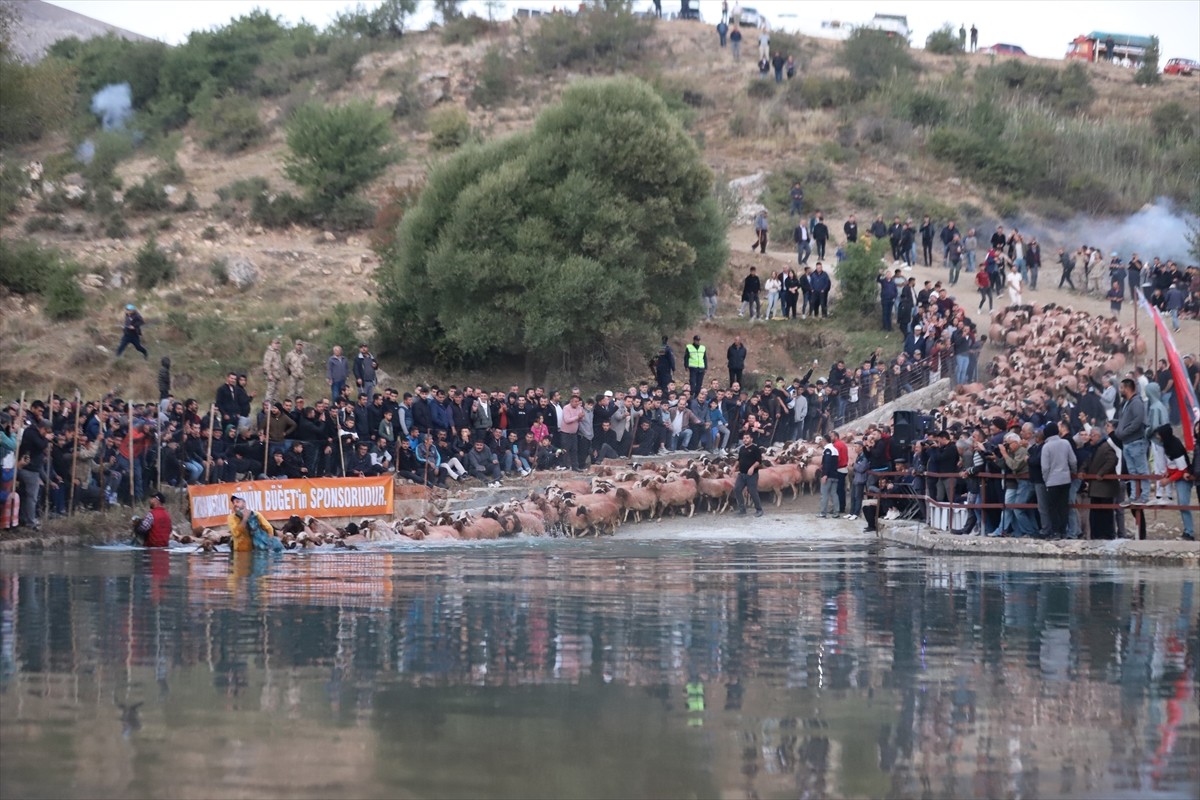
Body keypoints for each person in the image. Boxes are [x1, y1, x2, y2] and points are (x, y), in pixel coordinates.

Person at [1115, 377, 1149, 505]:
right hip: (1127, 443)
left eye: (1122, 388)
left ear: (1128, 388)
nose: (1120, 390)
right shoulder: (1127, 403)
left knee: (1142, 469)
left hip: (1136, 442)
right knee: (1132, 471)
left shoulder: (1136, 403)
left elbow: (1137, 421)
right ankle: (1134, 496)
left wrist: (1123, 432)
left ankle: (1144, 496)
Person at [732, 432, 764, 517]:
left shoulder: (755, 449)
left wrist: (752, 467)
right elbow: (739, 459)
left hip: (752, 475)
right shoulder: (742, 448)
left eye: (747, 438)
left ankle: (759, 509)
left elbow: (759, 461)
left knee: (752, 491)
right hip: (742, 474)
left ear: (751, 439)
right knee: (737, 489)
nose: (745, 439)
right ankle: (742, 509)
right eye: (744, 438)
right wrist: (734, 467)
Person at [262, 338, 283, 406]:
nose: (277, 345)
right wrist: (269, 374)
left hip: (277, 376)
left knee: (276, 394)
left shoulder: (277, 353)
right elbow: (266, 364)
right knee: (270, 393)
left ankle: (274, 408)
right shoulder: (269, 352)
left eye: (278, 343)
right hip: (272, 376)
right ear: (272, 344)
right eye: (275, 343)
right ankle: (267, 409)